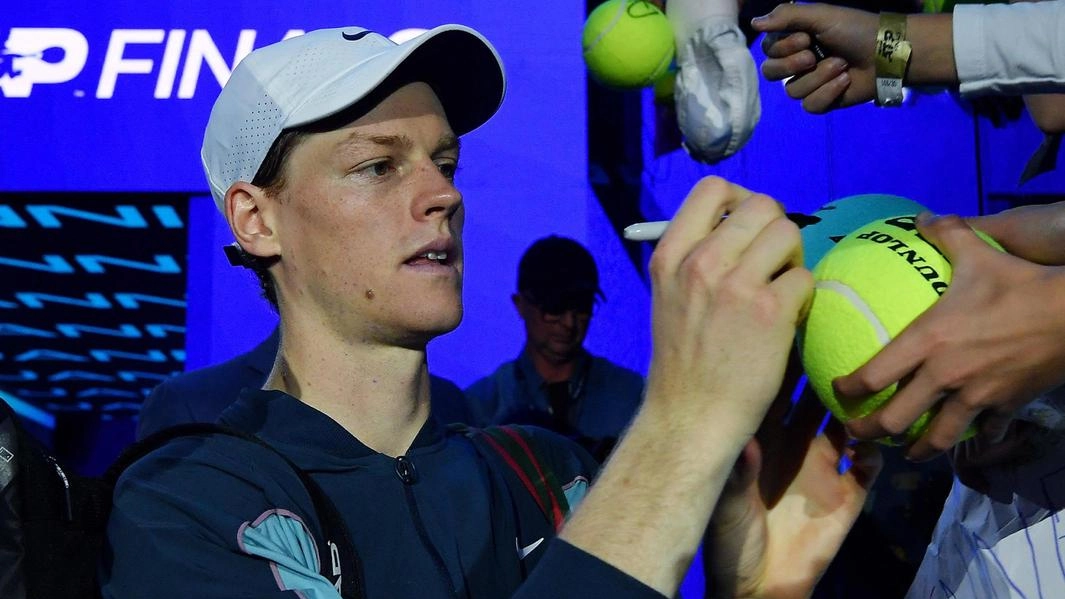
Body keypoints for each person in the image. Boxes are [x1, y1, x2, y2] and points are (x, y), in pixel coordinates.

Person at [101, 23, 879, 599]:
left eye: (443, 162)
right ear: (255, 219)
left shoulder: (550, 473)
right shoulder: (183, 503)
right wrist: (680, 426)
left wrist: (760, 595)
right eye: (376, 166)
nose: (443, 194)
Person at [465, 235, 644, 462]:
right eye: (555, 307)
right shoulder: (481, 407)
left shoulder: (632, 395)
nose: (569, 323)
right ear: (520, 305)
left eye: (582, 306)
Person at [137, 327, 475, 439]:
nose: (445, 198)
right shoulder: (191, 404)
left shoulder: (448, 403)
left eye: (446, 170)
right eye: (377, 169)